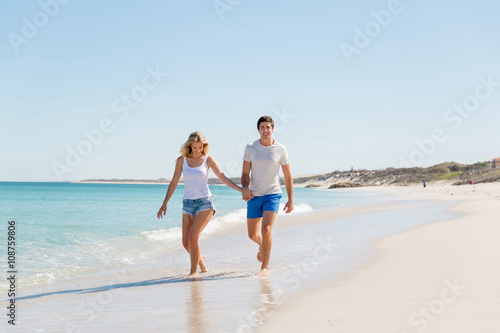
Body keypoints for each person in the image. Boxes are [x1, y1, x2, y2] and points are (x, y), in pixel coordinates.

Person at [157, 131, 245, 277]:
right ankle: (201, 262)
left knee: (193, 237)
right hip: (187, 203)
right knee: (186, 244)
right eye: (195, 147)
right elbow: (174, 182)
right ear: (189, 146)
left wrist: (241, 190)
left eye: (200, 147)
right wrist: (164, 203)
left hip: (205, 202)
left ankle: (193, 273)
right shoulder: (182, 160)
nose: (198, 150)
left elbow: (223, 177)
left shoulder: (208, 159)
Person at [241, 116, 294, 276]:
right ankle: (263, 245)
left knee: (266, 229)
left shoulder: (280, 149)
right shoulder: (250, 147)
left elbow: (287, 176)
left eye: (268, 127)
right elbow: (244, 173)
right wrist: (245, 187)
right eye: (262, 127)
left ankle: (264, 267)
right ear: (258, 130)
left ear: (272, 129)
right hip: (254, 195)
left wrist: (290, 199)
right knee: (252, 234)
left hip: (273, 194)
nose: (265, 130)